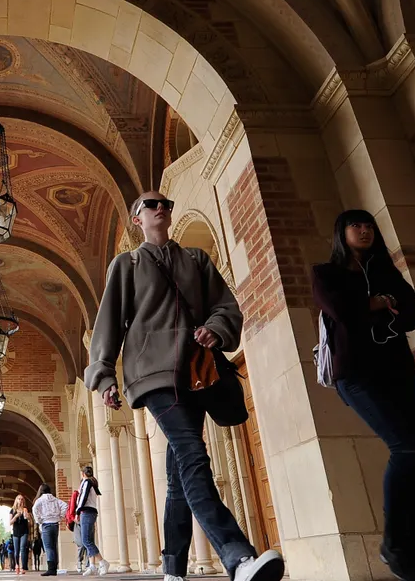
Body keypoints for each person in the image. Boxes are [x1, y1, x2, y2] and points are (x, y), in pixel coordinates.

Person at [86, 191, 285, 581]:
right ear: (137, 219)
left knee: (179, 472)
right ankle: (238, 556)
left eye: (166, 204)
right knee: (194, 456)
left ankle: (173, 568)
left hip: (197, 374)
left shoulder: (197, 259)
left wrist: (215, 329)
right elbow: (108, 323)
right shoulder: (126, 264)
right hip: (152, 376)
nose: (161, 208)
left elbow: (227, 307)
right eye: (152, 204)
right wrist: (104, 375)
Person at [311, 210, 415, 581]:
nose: (365, 230)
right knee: (404, 449)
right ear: (341, 232)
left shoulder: (386, 270)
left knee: (412, 458)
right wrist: (379, 304)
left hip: (398, 372)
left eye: (369, 226)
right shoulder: (325, 274)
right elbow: (342, 311)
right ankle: (396, 548)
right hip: (357, 376)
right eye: (356, 225)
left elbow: (412, 315)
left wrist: (379, 304)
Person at [72, 467, 107, 576]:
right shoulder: (91, 482)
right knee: (90, 540)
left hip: (86, 512)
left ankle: (102, 562)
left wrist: (78, 511)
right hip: (89, 512)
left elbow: (83, 497)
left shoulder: (86, 482)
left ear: (82, 473)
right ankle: (92, 566)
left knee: (86, 540)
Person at [32, 483, 68, 576]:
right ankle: (54, 568)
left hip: (46, 525)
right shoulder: (55, 499)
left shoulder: (40, 500)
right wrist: (60, 516)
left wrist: (39, 520)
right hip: (55, 524)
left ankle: (51, 569)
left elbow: (34, 509)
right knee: (54, 546)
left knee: (48, 547)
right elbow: (65, 505)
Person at [10, 494, 32, 575]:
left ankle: (23, 567)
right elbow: (10, 522)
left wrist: (28, 517)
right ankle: (17, 565)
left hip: (24, 531)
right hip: (16, 532)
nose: (20, 500)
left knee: (23, 548)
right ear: (16, 500)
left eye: (22, 499)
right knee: (16, 550)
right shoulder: (12, 510)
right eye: (19, 499)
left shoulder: (26, 509)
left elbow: (31, 522)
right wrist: (16, 516)